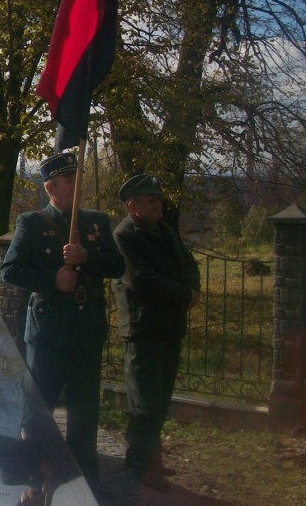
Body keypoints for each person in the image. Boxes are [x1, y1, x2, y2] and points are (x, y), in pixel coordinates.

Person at [0, 151, 125, 486]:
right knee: (38, 408)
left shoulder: (96, 222)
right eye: (69, 181)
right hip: (49, 330)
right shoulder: (32, 223)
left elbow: (118, 265)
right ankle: (36, 478)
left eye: (77, 179)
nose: (75, 185)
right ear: (51, 187)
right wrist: (52, 280)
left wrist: (87, 257)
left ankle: (84, 480)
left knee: (85, 409)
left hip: (87, 327)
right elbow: (10, 270)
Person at [111, 173, 200, 490]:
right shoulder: (124, 237)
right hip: (142, 328)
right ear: (133, 206)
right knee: (145, 403)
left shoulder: (164, 231)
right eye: (151, 201)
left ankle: (148, 460)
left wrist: (192, 289)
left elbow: (189, 263)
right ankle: (144, 467)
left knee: (160, 400)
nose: (158, 205)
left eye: (158, 200)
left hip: (169, 327)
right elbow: (142, 279)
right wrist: (184, 295)